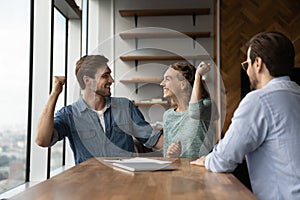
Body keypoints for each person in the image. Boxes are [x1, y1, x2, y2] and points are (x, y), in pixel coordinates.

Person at [190, 32, 300, 200]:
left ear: (258, 63)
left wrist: (206, 160)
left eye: (246, 64)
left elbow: (223, 159)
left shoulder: (259, 100)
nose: (247, 71)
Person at [36, 55, 163, 164]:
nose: (111, 80)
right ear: (87, 81)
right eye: (105, 76)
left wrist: (179, 147)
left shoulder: (125, 107)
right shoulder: (69, 115)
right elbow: (42, 140)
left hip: (124, 182)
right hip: (89, 185)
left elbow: (153, 139)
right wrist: (54, 94)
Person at [160, 61, 218, 158]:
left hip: (202, 170)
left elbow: (194, 111)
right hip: (179, 171)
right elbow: (167, 155)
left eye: (167, 79)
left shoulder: (207, 105)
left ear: (183, 84)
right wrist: (170, 154)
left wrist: (198, 75)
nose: (162, 83)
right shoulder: (168, 116)